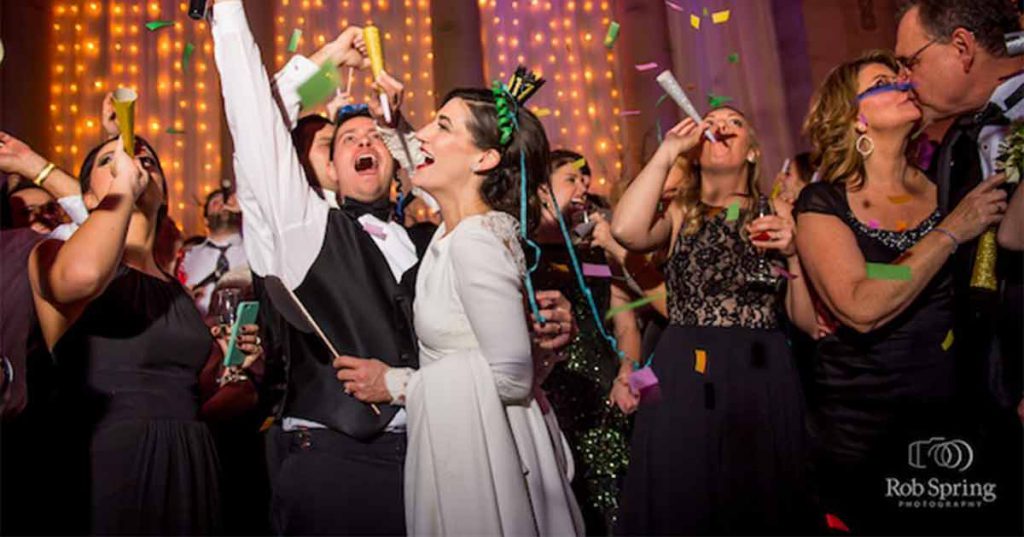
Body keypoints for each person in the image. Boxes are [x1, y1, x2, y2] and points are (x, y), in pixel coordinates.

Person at [210, 2, 576, 534]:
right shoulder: (301, 232)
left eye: (373, 135)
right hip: (341, 469)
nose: (364, 142)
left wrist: (538, 334)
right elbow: (257, 122)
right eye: (343, 140)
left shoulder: (442, 239)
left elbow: (498, 362)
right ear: (322, 168)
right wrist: (326, 60)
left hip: (452, 459)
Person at [797, 49, 1010, 534]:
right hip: (864, 433)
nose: (904, 83)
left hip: (955, 420)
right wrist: (949, 233)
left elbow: (892, 274)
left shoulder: (950, 184)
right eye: (884, 81)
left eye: (903, 74)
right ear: (854, 117)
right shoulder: (824, 201)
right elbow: (858, 301)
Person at [24, 135, 264, 534]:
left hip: (190, 457)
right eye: (110, 160)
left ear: (164, 192)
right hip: (115, 458)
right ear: (86, 197)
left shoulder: (177, 292)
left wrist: (230, 362)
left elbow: (190, 388)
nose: (132, 161)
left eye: (145, 159)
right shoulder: (53, 255)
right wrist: (121, 190)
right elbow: (81, 278)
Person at [612, 107, 818, 535]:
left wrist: (795, 253)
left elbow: (806, 322)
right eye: (713, 121)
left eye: (736, 123)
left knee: (757, 500)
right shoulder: (679, 214)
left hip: (761, 370)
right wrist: (668, 151)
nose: (722, 126)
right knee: (683, 495)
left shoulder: (779, 209)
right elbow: (626, 231)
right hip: (683, 369)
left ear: (752, 152)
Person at [896, 1, 1023, 530]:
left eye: (908, 63)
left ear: (963, 47)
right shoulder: (957, 143)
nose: (904, 82)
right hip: (970, 382)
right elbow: (885, 272)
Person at [531, 149, 636, 534]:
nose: (583, 188)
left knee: (614, 498)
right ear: (542, 190)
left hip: (604, 394)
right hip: (550, 394)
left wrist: (628, 374)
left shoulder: (595, 252)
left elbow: (626, 324)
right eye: (572, 179)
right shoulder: (523, 253)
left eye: (586, 180)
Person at [180, 187, 249, 315]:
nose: (223, 205)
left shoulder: (253, 252)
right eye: (215, 203)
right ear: (206, 220)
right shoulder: (188, 257)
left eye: (226, 202)